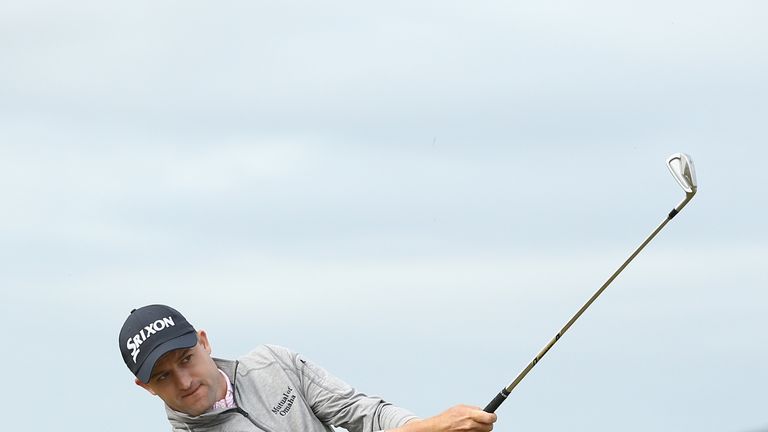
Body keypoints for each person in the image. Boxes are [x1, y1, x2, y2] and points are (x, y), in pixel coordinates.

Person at [119, 304, 497, 432]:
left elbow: (362, 413)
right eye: (163, 375)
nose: (184, 381)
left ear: (204, 342)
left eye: (186, 359)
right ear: (145, 387)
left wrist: (417, 427)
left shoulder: (273, 363)